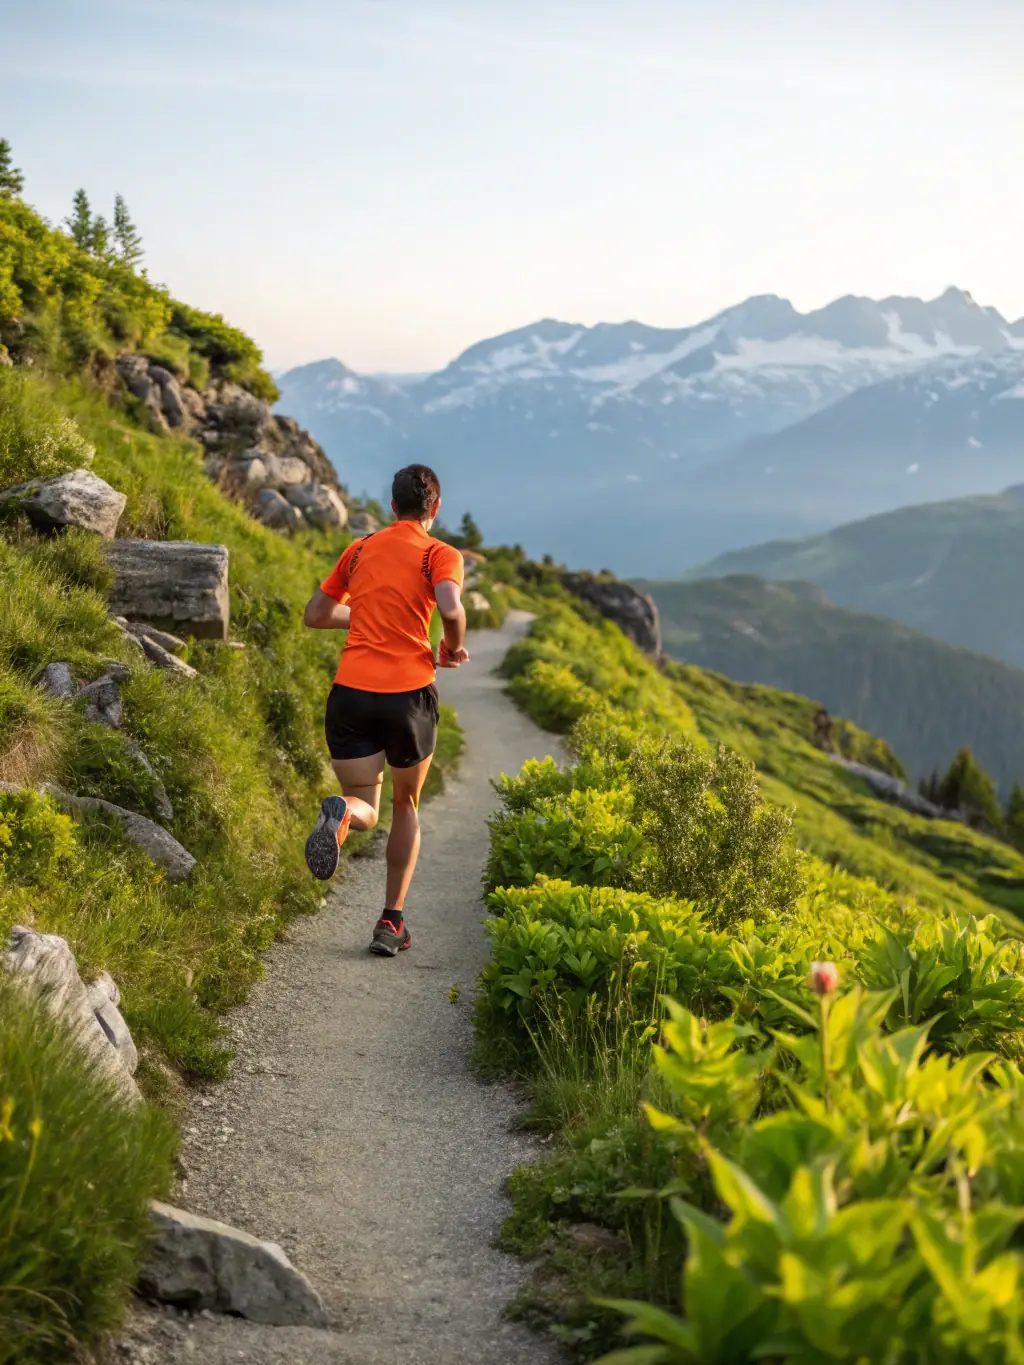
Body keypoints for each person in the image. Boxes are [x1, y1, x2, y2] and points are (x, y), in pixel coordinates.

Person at [301, 464, 470, 956]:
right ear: (434, 509)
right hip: (409, 697)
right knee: (405, 806)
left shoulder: (360, 549)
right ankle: (391, 923)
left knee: (365, 803)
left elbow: (316, 615)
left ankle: (344, 814)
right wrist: (452, 648)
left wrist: (368, 616)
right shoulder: (440, 554)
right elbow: (453, 609)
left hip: (350, 693)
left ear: (393, 506)